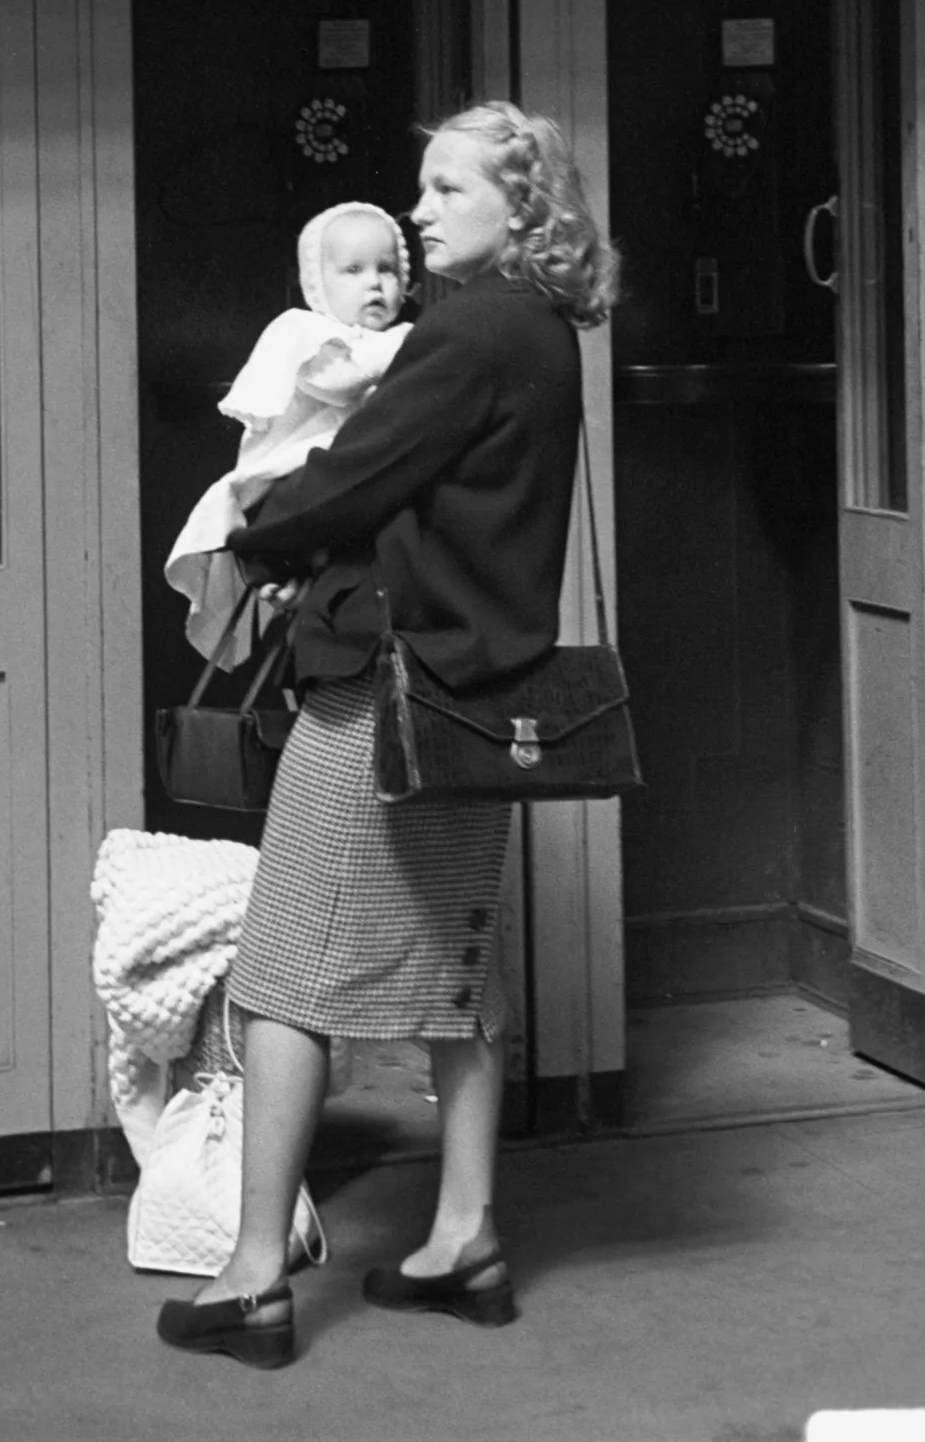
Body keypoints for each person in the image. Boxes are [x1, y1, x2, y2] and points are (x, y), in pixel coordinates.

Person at [156, 101, 617, 1368]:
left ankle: (252, 1278)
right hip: (482, 694)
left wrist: (249, 529)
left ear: (520, 208)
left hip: (383, 688)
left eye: (445, 189)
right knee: (458, 968)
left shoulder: (465, 329)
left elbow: (363, 470)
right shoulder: (539, 330)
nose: (417, 214)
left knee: (282, 972)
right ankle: (462, 1234)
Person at [164, 201, 412, 662]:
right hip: (289, 475)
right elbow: (336, 385)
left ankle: (310, 598)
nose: (374, 283)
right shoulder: (304, 332)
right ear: (318, 283)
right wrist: (410, 344)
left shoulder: (397, 341)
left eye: (388, 269)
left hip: (345, 487)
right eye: (353, 270)